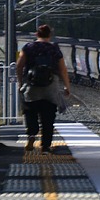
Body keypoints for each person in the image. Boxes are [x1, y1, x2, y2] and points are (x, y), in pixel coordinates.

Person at [16, 24, 71, 153]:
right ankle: (45, 146)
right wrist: (67, 86)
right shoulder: (54, 49)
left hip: (32, 85)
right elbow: (63, 70)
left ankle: (31, 135)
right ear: (49, 35)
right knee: (48, 116)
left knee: (30, 111)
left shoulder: (28, 47)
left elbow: (19, 66)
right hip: (50, 87)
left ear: (37, 34)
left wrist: (20, 82)